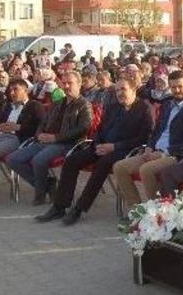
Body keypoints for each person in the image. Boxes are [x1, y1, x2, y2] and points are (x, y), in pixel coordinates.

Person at [36, 77, 153, 225]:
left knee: (102, 165)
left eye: (123, 89)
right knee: (72, 160)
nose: (119, 93)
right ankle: (59, 206)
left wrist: (114, 147)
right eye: (117, 90)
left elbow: (143, 138)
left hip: (123, 149)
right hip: (101, 146)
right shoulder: (113, 107)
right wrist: (98, 144)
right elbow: (99, 130)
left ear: (133, 89)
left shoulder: (144, 109)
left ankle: (79, 208)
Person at [112, 71, 183, 209]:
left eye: (180, 86)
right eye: (173, 87)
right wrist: (149, 146)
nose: (176, 90)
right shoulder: (167, 105)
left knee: (146, 170)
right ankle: (136, 209)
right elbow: (157, 130)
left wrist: (163, 154)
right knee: (119, 167)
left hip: (175, 155)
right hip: (154, 151)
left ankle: (158, 212)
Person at [5, 71, 92, 205]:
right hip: (45, 141)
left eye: (70, 83)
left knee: (38, 160)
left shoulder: (84, 105)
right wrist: (39, 134)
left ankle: (40, 193)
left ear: (79, 84)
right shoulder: (57, 103)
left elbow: (82, 128)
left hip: (67, 144)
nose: (66, 86)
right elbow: (43, 122)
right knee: (12, 159)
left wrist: (56, 138)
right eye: (64, 83)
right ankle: (47, 185)